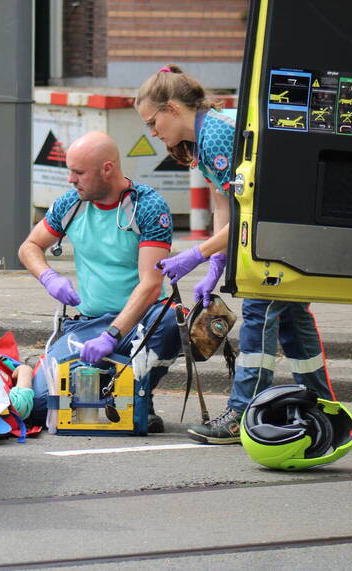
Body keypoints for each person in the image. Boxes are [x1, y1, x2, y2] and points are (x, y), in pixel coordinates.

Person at [135, 64, 336, 444]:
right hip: (278, 234)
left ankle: (241, 413)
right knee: (294, 323)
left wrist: (197, 254)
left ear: (172, 108)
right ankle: (323, 404)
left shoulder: (216, 136)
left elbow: (249, 213)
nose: (153, 132)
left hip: (272, 238)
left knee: (259, 319)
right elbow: (225, 201)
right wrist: (217, 262)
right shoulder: (205, 136)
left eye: (152, 122)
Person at [18, 131, 181, 433]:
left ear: (107, 169)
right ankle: (88, 383)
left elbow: (150, 285)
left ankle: (138, 393)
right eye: (70, 171)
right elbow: (29, 247)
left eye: (79, 172)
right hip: (88, 325)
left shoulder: (147, 207)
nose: (71, 179)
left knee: (172, 319)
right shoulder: (72, 203)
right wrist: (49, 277)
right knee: (40, 408)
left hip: (137, 325)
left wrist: (112, 334)